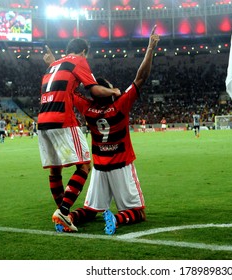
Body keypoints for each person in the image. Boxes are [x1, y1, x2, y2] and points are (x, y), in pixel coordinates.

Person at [66, 25, 160, 235]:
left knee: (90, 210)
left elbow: (69, 89)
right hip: (121, 165)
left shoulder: (87, 108)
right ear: (108, 90)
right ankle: (117, 218)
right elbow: (141, 78)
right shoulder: (120, 104)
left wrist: (56, 61)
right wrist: (151, 47)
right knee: (138, 212)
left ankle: (69, 216)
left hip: (99, 167)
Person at [38, 38, 121, 232]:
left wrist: (52, 61)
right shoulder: (79, 61)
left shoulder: (55, 65)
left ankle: (62, 213)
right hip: (62, 118)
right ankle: (64, 212)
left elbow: (62, 75)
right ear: (84, 52)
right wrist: (114, 90)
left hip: (42, 120)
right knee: (84, 165)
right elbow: (94, 89)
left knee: (55, 169)